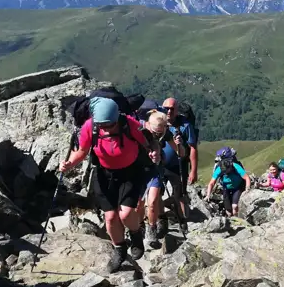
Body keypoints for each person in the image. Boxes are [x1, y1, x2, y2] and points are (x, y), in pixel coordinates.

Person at [59, 97, 159, 273]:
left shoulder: (129, 124)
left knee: (126, 214)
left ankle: (136, 234)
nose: (108, 129)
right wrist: (68, 164)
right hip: (104, 175)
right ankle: (119, 249)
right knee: (111, 217)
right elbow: (82, 152)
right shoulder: (91, 127)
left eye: (111, 125)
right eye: (104, 126)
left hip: (130, 173)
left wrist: (153, 153)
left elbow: (149, 142)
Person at [141, 111, 186, 248]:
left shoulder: (165, 133)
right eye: (155, 132)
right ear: (148, 124)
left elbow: (181, 153)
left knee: (153, 200)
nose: (157, 135)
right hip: (139, 170)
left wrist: (179, 144)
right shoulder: (138, 130)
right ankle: (138, 230)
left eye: (161, 132)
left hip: (156, 169)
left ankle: (151, 231)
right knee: (140, 204)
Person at [205, 148, 251, 217]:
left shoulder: (235, 166)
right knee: (228, 211)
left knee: (234, 206)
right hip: (226, 188)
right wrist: (208, 195)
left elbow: (247, 178)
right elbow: (211, 183)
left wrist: (247, 189)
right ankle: (231, 221)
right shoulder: (219, 169)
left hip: (238, 187)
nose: (226, 173)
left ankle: (238, 221)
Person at [163, 98, 199, 187]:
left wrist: (193, 171)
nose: (169, 111)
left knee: (180, 196)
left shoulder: (185, 126)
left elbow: (193, 148)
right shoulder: (157, 122)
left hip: (179, 166)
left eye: (172, 109)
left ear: (177, 111)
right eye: (166, 108)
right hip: (160, 165)